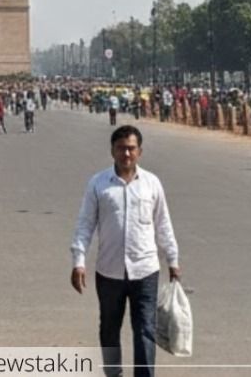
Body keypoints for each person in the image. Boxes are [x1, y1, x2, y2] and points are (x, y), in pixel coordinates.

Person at [70, 125, 180, 377]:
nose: (126, 154)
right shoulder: (98, 184)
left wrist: (172, 259)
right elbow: (85, 224)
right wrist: (78, 261)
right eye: (121, 148)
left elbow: (163, 223)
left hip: (145, 271)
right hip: (109, 272)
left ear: (140, 151)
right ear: (112, 151)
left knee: (145, 330)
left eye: (131, 148)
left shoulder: (151, 184)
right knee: (109, 328)